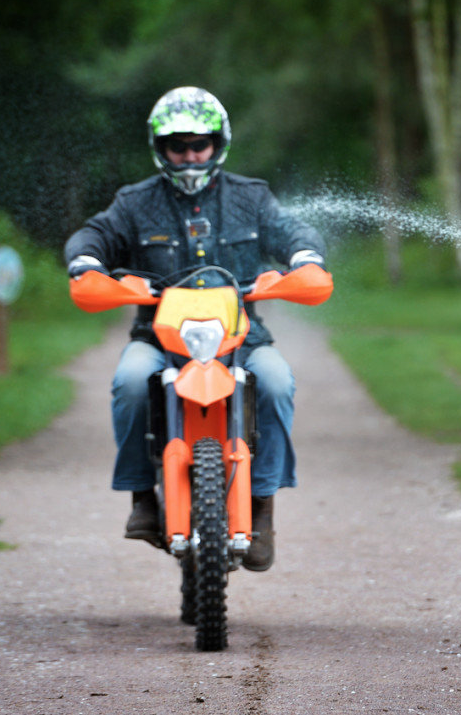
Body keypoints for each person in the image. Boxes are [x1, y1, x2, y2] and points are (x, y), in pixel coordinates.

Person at [65, 86, 327, 572]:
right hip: (158, 339)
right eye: (177, 145)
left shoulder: (252, 198)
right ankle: (143, 497)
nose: (188, 155)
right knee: (129, 382)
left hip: (242, 339)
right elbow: (95, 234)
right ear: (159, 147)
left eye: (198, 144)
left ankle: (263, 507)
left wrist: (305, 256)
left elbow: (291, 231)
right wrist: (85, 260)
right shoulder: (134, 202)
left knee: (275, 381)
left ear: (218, 142)